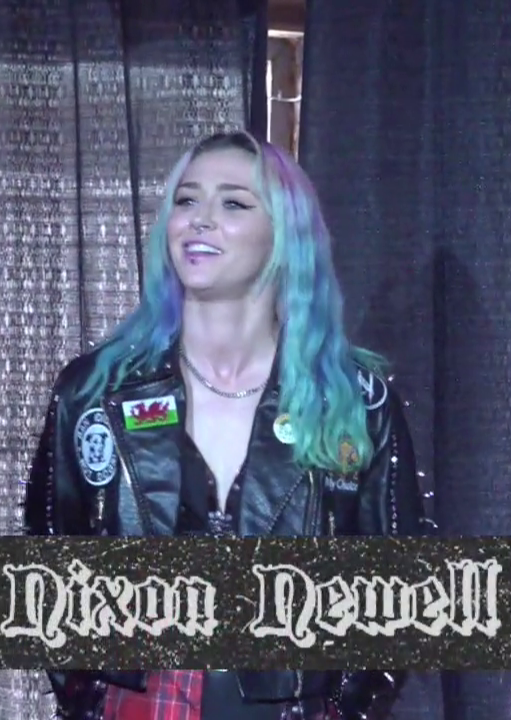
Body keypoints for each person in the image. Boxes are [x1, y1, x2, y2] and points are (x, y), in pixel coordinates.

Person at [22, 131, 427, 720]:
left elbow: (398, 585)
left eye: (233, 203)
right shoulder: (93, 393)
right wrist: (88, 698)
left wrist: (341, 709)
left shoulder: (354, 401)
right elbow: (48, 557)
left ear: (286, 236)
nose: (200, 219)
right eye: (186, 200)